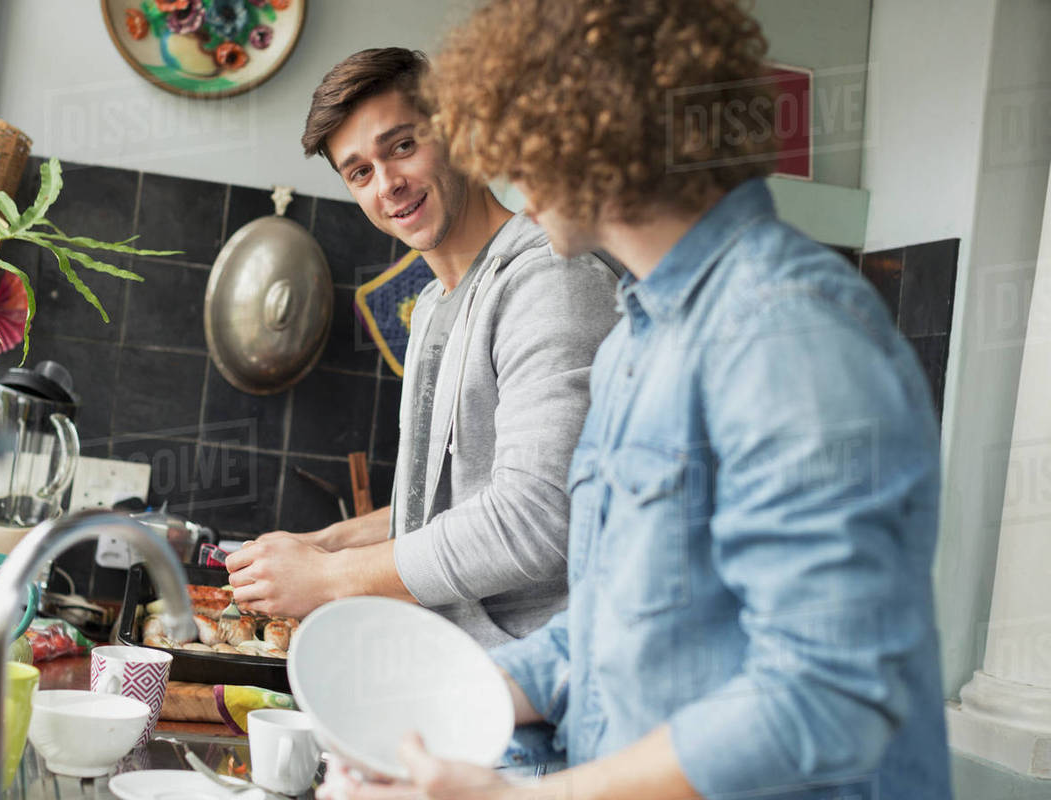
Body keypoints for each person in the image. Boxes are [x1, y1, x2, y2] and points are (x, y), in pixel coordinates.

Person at [327, 2, 952, 799]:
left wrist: (525, 797)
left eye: (520, 135)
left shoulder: (791, 332)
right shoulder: (633, 341)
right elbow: (600, 639)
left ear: (599, 128)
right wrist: (417, 719)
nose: (508, 171)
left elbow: (825, 697)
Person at [225, 48, 620, 648]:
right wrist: (326, 544)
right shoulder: (434, 305)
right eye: (360, 172)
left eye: (402, 146)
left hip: (544, 697)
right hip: (453, 678)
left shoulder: (550, 281)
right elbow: (450, 506)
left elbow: (537, 520)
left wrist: (331, 577)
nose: (388, 185)